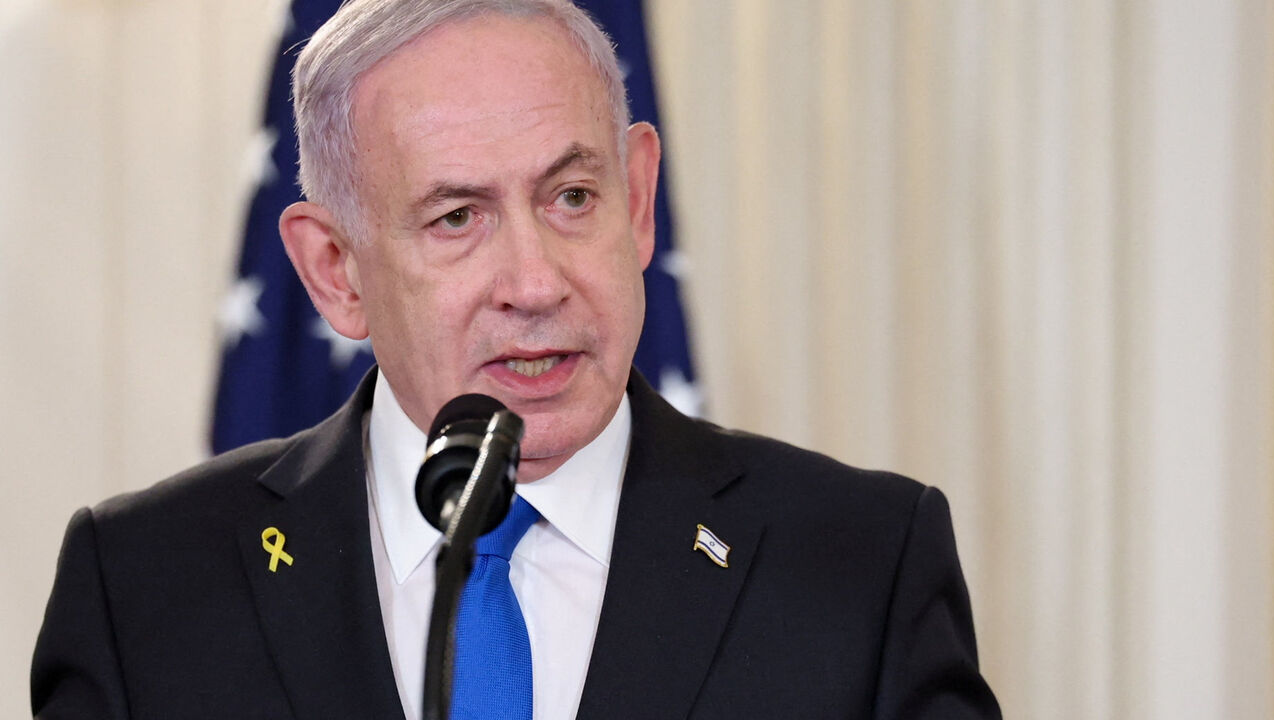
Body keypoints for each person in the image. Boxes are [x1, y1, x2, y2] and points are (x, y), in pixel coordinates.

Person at [31, 1, 1001, 718]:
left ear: (636, 198)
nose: (533, 283)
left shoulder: (858, 570)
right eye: (457, 217)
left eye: (571, 198)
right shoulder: (147, 593)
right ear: (333, 271)